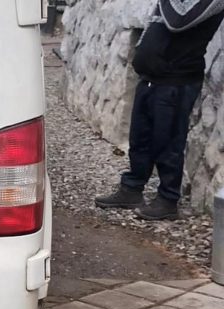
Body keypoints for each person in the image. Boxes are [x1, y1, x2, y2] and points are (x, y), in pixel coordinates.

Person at [95, 0, 224, 220]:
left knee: (168, 142)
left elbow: (179, 21)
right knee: (140, 138)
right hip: (151, 76)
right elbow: (155, 24)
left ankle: (167, 200)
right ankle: (132, 189)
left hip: (177, 80)